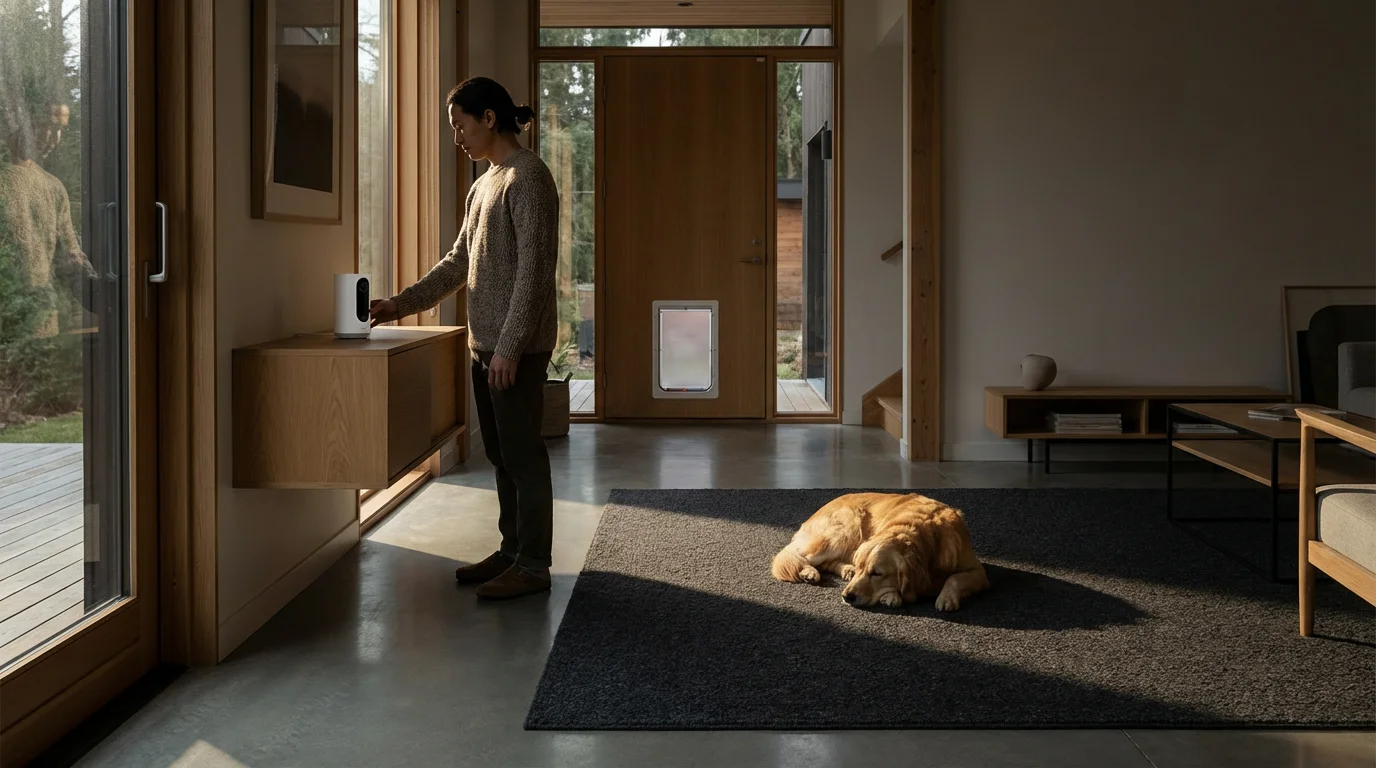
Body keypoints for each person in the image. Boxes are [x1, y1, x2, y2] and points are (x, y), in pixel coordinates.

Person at [370, 77, 559, 601]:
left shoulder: (529, 178)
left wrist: (510, 347)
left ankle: (535, 565)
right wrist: (399, 304)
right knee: (500, 455)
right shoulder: (485, 184)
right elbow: (459, 263)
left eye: (460, 124)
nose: (456, 137)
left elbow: (535, 274)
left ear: (490, 118)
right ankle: (511, 549)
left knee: (522, 456)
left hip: (513, 349)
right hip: (487, 346)